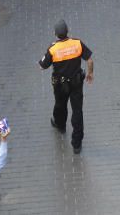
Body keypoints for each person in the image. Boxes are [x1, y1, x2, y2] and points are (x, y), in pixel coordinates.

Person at [37, 21, 93, 154]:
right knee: (77, 112)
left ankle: (60, 125)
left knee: (60, 105)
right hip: (77, 83)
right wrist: (90, 73)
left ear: (55, 34)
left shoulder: (53, 48)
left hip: (60, 85)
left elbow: (42, 66)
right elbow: (89, 60)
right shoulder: (77, 43)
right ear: (68, 31)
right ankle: (77, 144)